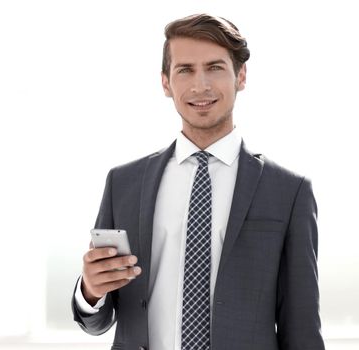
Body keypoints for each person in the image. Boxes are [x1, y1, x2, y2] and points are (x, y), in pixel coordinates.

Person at [71, 13, 325, 350]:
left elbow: (303, 329)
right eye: (185, 70)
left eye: (215, 67)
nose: (200, 85)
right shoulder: (124, 183)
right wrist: (90, 291)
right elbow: (98, 321)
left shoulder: (289, 192)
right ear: (166, 82)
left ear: (241, 76)